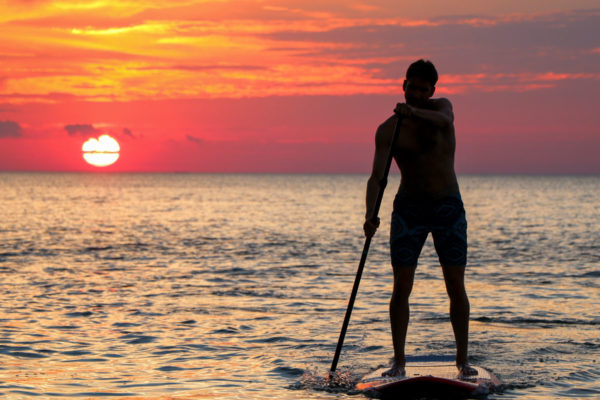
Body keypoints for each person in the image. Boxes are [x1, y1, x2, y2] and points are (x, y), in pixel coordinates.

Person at [363, 59, 477, 377]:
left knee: (455, 284)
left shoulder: (442, 109)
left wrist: (414, 113)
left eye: (422, 90)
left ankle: (463, 362)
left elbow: (444, 120)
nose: (415, 94)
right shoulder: (389, 130)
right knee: (401, 286)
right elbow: (377, 178)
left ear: (432, 91)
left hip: (447, 208)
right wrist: (370, 214)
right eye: (411, 87)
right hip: (409, 209)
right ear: (403, 86)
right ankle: (398, 362)